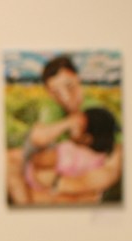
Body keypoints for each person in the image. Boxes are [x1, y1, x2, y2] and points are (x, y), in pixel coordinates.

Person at [6, 55, 122, 205]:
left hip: (77, 179)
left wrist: (58, 182)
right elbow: (38, 138)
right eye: (56, 92)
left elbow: (111, 170)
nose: (65, 97)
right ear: (49, 92)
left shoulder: (97, 111)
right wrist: (69, 122)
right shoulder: (52, 108)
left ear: (78, 78)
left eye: (69, 86)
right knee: (8, 161)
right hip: (53, 170)